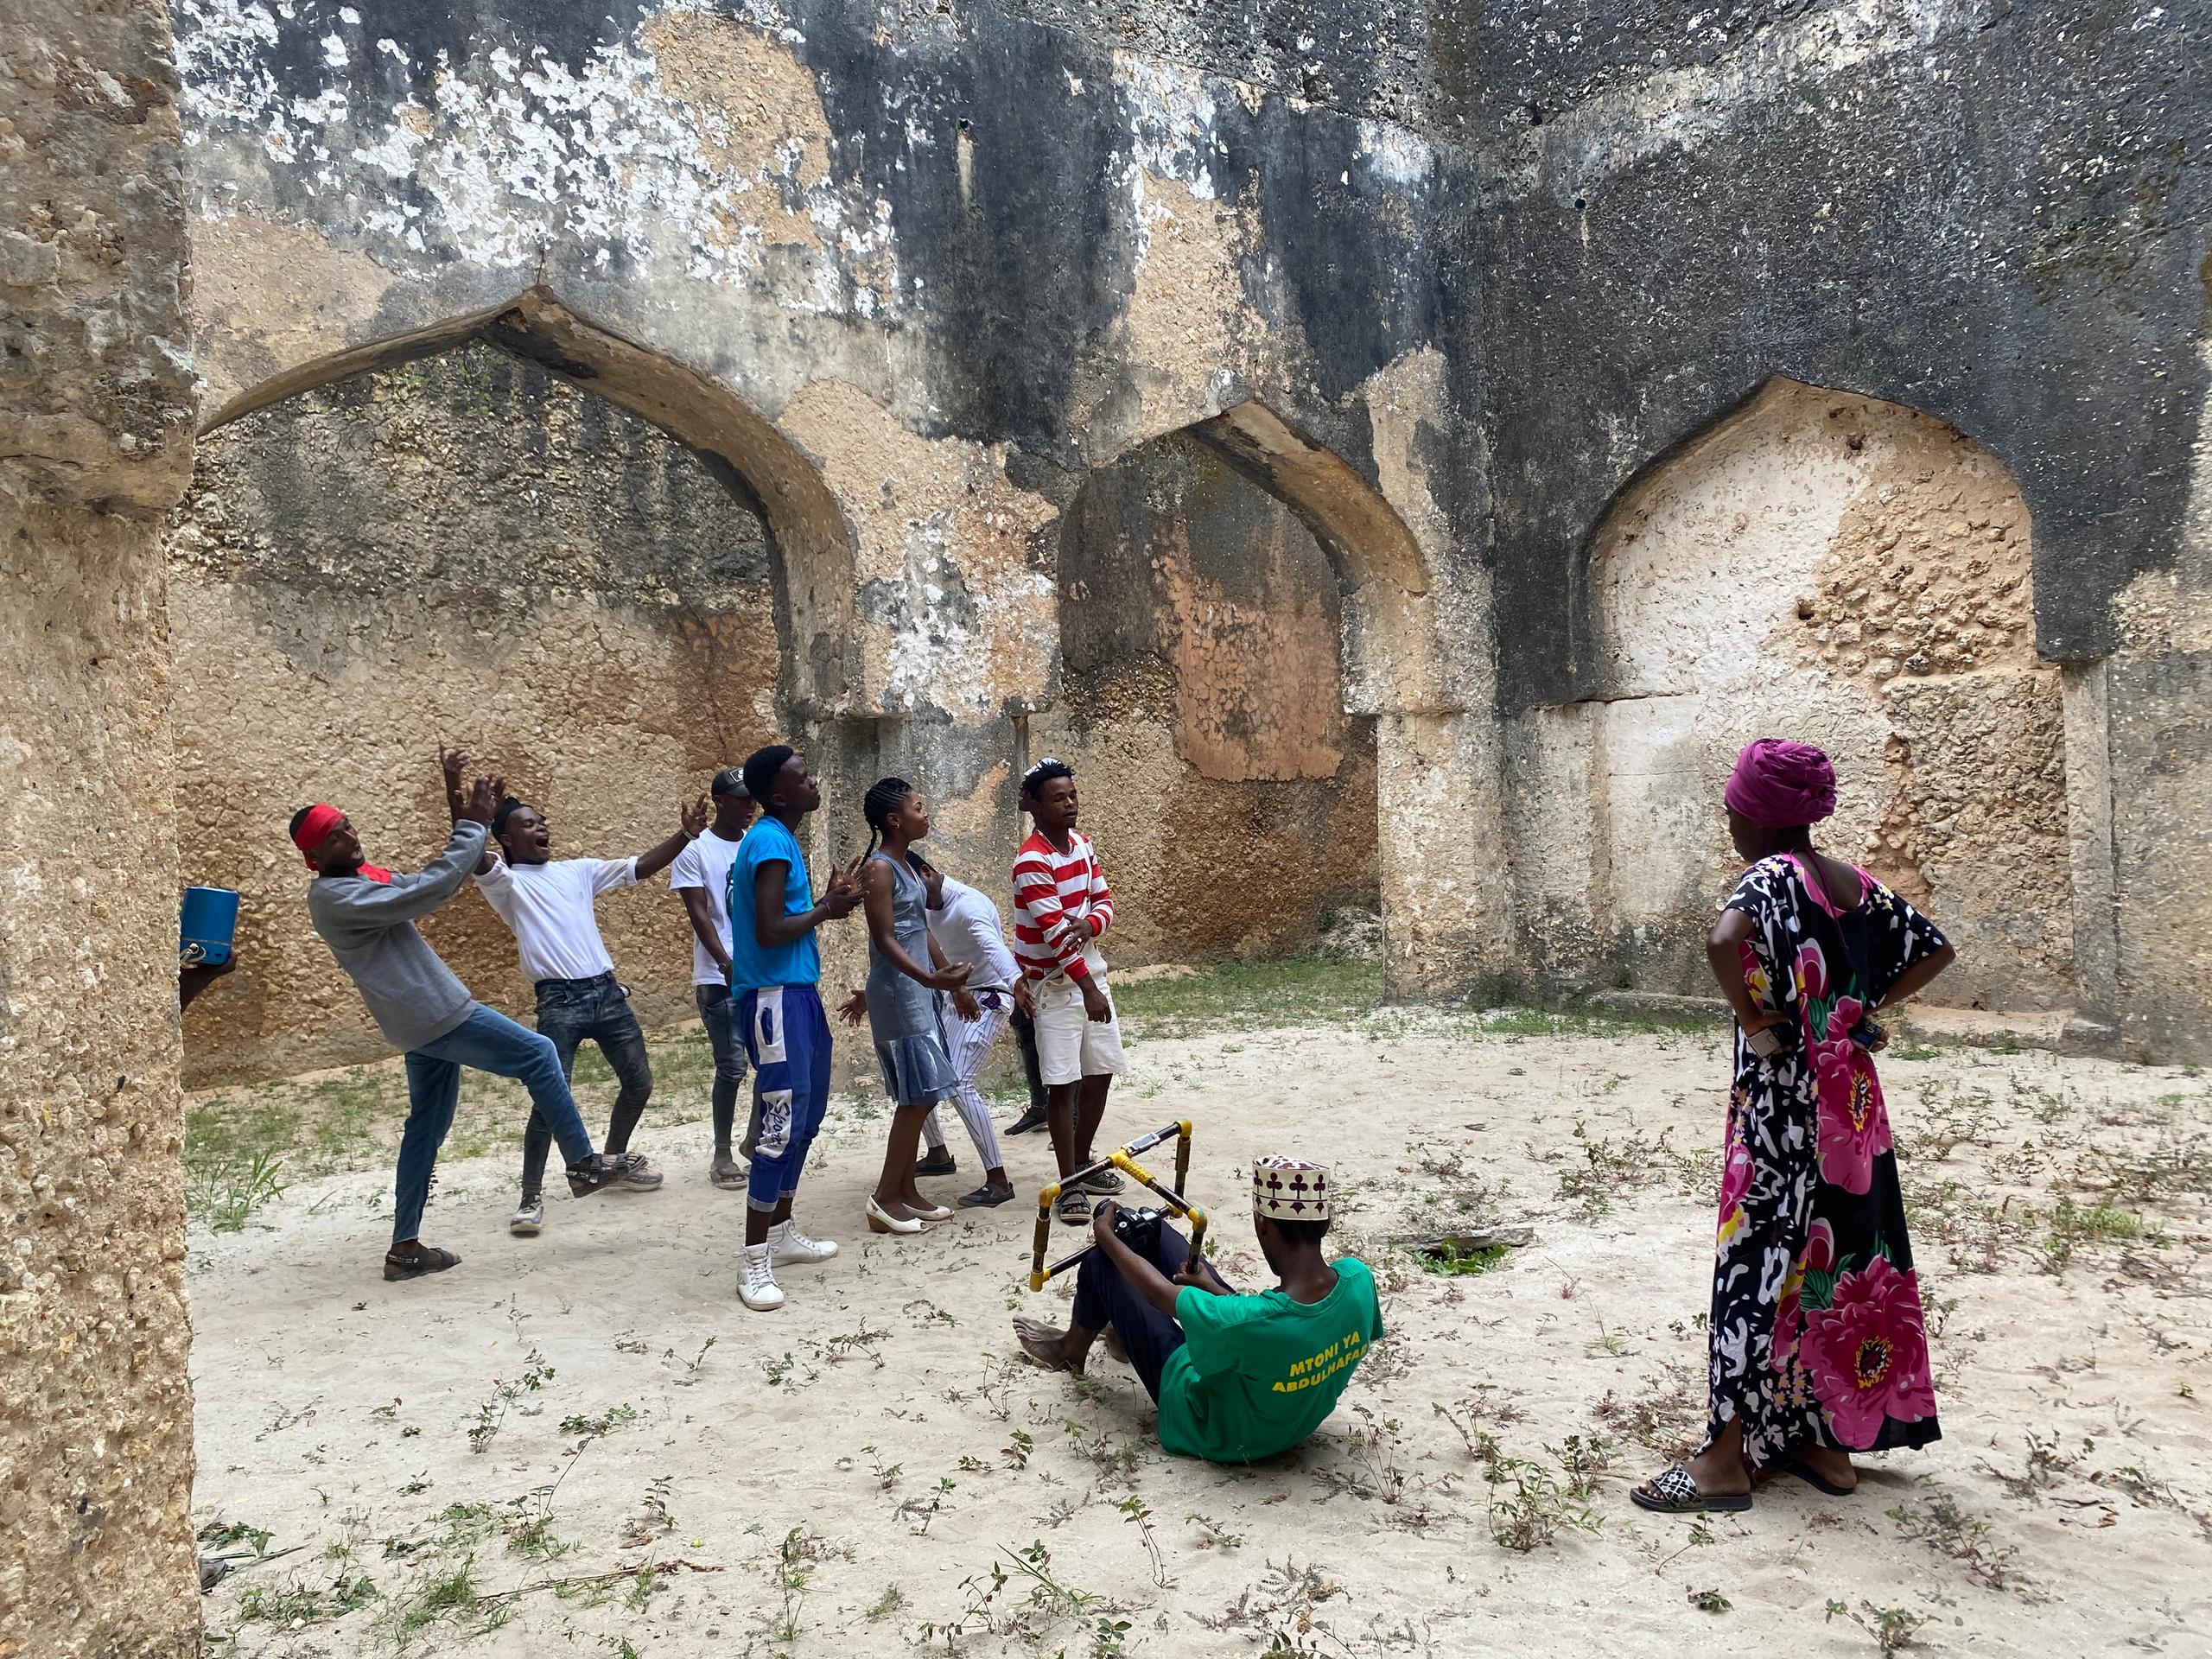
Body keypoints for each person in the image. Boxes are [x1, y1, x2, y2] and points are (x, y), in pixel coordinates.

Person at [1633, 739, 1956, 1515]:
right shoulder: (1845, 880)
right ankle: (1824, 1442)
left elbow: (1722, 941)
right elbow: (1933, 950)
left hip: (1782, 1102)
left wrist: (1755, 1019)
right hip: (1850, 1107)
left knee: (1756, 1263)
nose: (1728, 818)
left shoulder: (1768, 876)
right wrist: (1861, 1009)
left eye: (1734, 808)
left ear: (1759, 816)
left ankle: (1722, 1462)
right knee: (1836, 1260)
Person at [293, 761, 629, 1283]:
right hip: (437, 1016)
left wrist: (465, 821)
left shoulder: (361, 881)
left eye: (349, 826)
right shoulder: (337, 898)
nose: (350, 838)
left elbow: (433, 877)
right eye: (335, 838)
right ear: (313, 858)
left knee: (424, 1128)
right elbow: (428, 892)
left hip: (416, 1025)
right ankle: (583, 1165)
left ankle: (404, 1249)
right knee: (539, 1055)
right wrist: (472, 826)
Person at [460, 752, 703, 1237]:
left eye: (542, 821)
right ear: (507, 839)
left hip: (607, 995)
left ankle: (612, 1162)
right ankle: (530, 1198)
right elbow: (471, 855)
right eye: (529, 824)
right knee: (551, 1100)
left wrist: (686, 836)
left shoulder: (577, 871)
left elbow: (640, 867)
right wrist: (470, 818)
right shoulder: (506, 883)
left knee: (640, 1082)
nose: (541, 828)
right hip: (559, 1003)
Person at [1012, 1157, 1382, 1464]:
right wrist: (1214, 1288)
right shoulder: (1358, 1280)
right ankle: (1122, 1338)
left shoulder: (1251, 1318)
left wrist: (1106, 1238)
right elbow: (1275, 1323)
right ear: (1327, 1223)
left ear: (1261, 1224)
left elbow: (1162, 1295)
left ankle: (1069, 1350)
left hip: (1209, 1424)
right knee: (1151, 1230)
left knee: (1102, 1263)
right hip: (1288, 1418)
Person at [724, 744, 863, 1310]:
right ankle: (752, 1259)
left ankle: (780, 1234)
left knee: (805, 1117)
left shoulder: (779, 839)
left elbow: (787, 921)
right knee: (780, 1124)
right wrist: (828, 908)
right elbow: (769, 928)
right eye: (803, 776)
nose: (815, 780)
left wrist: (829, 903)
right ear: (779, 794)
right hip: (772, 1000)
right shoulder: (770, 841)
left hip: (796, 996)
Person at [835, 779, 972, 1233]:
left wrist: (947, 978)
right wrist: (929, 978)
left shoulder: (905, 866)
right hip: (901, 992)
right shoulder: (880, 870)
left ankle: (907, 1190)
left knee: (925, 1094)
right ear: (894, 820)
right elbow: (886, 939)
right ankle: (883, 1198)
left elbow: (920, 931)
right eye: (918, 807)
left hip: (920, 989)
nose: (926, 812)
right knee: (915, 1097)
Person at [1011, 758, 1127, 1225]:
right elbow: (1055, 933)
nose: (1070, 804)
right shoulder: (1031, 860)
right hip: (1055, 986)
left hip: (1089, 974)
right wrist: (1088, 989)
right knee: (1062, 1083)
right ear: (1034, 806)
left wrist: (1091, 923)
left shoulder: (1082, 845)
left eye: (1072, 795)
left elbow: (1104, 903)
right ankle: (1069, 1185)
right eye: (1058, 798)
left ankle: (1083, 1162)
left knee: (1100, 1072)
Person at [908, 854, 1020, 1208]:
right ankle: (938, 1153)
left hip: (989, 997)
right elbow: (924, 938)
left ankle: (998, 1181)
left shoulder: (968, 906)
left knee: (958, 1083)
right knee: (919, 1072)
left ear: (926, 872)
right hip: (953, 994)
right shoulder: (923, 902)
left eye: (911, 887)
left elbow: (994, 948)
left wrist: (1017, 983)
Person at [667, 767, 760, 1190]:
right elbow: (699, 914)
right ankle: (722, 1154)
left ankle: (755, 1138)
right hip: (718, 976)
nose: (750, 806)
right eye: (742, 799)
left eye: (752, 798)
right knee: (732, 1067)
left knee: (771, 1061)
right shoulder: (695, 851)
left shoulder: (754, 844)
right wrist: (725, 963)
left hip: (758, 969)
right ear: (720, 800)